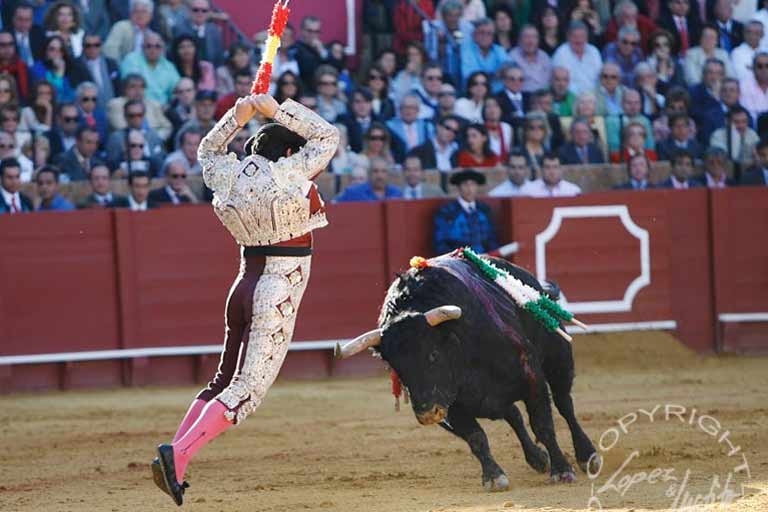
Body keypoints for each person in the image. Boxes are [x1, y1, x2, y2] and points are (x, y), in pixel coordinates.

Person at [151, 93, 339, 507]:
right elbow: (327, 136)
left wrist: (235, 119)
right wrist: (275, 110)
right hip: (276, 288)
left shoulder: (228, 176)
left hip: (242, 285)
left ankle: (175, 459)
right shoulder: (290, 173)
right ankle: (179, 453)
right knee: (247, 390)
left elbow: (206, 150)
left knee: (222, 381)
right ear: (288, 151)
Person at [433, 169, 499, 255]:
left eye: (473, 184)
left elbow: (492, 239)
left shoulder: (484, 210)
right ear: (459, 188)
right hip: (457, 262)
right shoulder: (446, 212)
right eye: (465, 184)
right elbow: (440, 243)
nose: (469, 189)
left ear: (477, 187)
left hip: (484, 261)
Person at [120, 31, 180, 105]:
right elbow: (130, 87)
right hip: (137, 106)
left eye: (157, 46)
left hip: (163, 109)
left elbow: (177, 90)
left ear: (163, 48)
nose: (153, 50)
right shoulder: (131, 60)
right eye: (149, 46)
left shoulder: (169, 66)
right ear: (142, 47)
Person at [552, 20, 602, 95]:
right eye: (575, 36)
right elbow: (560, 83)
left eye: (582, 36)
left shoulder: (594, 52)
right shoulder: (561, 53)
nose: (579, 40)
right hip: (569, 97)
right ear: (568, 37)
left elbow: (600, 77)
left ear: (587, 38)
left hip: (594, 97)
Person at [460, 17, 510, 91]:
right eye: (482, 32)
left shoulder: (499, 49)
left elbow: (509, 67)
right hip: (473, 94)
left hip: (497, 96)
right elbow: (471, 77)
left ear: (493, 36)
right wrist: (496, 74)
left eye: (489, 33)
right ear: (474, 35)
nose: (485, 36)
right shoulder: (467, 49)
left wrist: (503, 70)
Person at [386, 94, 435, 163]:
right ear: (399, 110)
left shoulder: (427, 127)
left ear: (418, 111)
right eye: (405, 107)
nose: (408, 110)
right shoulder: (389, 126)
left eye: (412, 107)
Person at [173, 0, 224, 66]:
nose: (200, 13)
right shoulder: (179, 29)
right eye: (196, 10)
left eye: (204, 10)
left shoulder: (214, 31)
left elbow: (219, 57)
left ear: (208, 13)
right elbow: (175, 55)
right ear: (189, 11)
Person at [78, 33, 119, 110]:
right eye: (88, 45)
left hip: (113, 109)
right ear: (83, 47)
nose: (92, 49)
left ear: (101, 46)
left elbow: (118, 88)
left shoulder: (111, 63)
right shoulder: (76, 65)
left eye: (96, 45)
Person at [335, 156, 403, 202]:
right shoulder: (353, 192)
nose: (380, 175)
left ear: (388, 174)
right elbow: (334, 206)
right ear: (369, 174)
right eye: (375, 171)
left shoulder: (396, 193)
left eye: (383, 171)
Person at [509, 25, 552, 93]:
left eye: (534, 37)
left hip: (543, 97)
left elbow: (550, 81)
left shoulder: (544, 56)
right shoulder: (513, 57)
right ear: (520, 40)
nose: (530, 41)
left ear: (538, 40)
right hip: (523, 96)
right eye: (526, 37)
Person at [292, 16, 327, 91]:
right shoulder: (295, 47)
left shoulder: (322, 48)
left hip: (321, 91)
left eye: (316, 31)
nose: (313, 34)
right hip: (301, 91)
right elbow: (306, 69)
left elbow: (332, 69)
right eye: (310, 31)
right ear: (302, 30)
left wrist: (322, 52)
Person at [740, 51, 768, 122]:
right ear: (753, 68)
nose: (764, 69)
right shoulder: (743, 86)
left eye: (767, 66)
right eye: (759, 66)